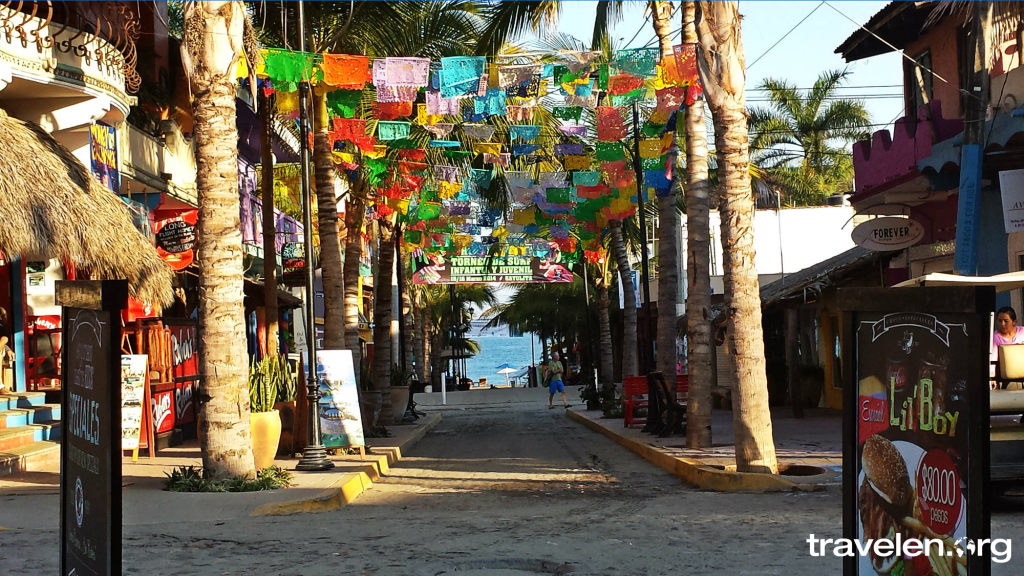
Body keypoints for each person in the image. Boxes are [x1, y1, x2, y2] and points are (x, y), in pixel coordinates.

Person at [992, 306, 1024, 388]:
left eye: (1006, 321)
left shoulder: (1022, 332)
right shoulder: (995, 338)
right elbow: (993, 361)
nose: (1002, 324)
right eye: (999, 321)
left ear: (1014, 322)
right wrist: (992, 378)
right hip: (1007, 381)